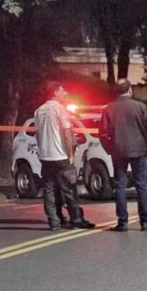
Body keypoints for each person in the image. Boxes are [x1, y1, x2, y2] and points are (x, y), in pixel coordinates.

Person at [34, 82, 95, 231]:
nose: (65, 93)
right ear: (55, 92)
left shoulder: (39, 111)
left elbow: (38, 134)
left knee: (49, 189)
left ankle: (54, 221)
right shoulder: (61, 110)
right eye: (63, 91)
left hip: (46, 156)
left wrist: (42, 151)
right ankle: (76, 219)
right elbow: (67, 134)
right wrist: (70, 154)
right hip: (60, 155)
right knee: (69, 189)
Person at [99, 79, 147, 232]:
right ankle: (144, 221)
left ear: (116, 91)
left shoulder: (109, 109)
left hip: (118, 151)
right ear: (130, 90)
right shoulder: (140, 107)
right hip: (139, 150)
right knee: (141, 185)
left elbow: (102, 133)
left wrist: (110, 149)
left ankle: (122, 222)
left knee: (120, 186)